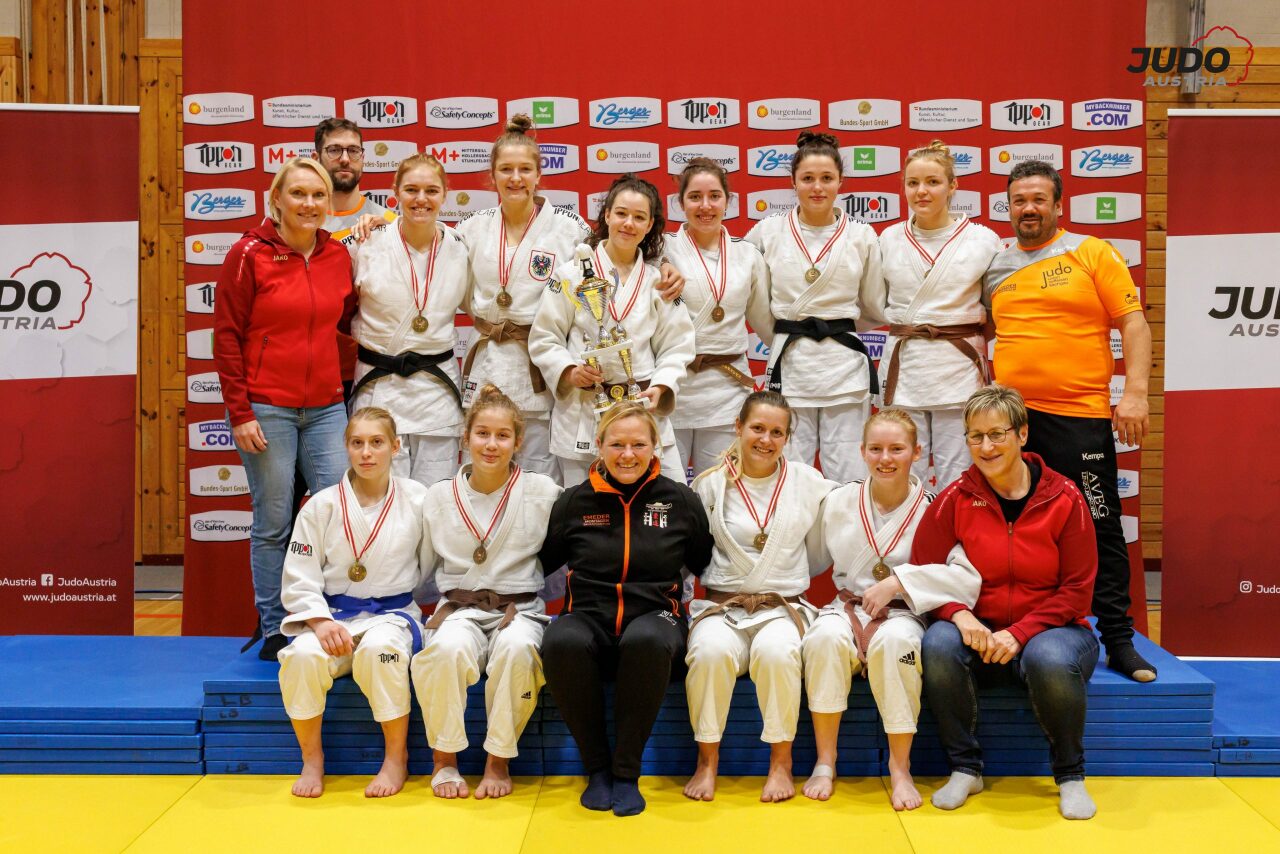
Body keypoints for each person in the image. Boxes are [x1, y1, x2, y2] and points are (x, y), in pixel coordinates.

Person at [983, 160, 1155, 682]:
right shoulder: (995, 266)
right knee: (1013, 527)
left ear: (1058, 204)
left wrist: (1136, 394)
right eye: (1019, 200)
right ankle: (1015, 633)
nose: (1028, 208)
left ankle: (1118, 641)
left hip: (1079, 417)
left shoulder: (1092, 252)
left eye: (1039, 199)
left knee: (1100, 524)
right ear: (1008, 207)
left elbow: (1133, 323)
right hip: (1012, 420)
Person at [916, 384, 1100, 820]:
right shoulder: (955, 498)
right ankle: (965, 769)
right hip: (981, 633)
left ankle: (1070, 776)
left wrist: (1020, 633)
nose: (986, 447)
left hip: (1054, 631)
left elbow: (1078, 590)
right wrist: (959, 615)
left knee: (1049, 657)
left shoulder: (1065, 497)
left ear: (1022, 434)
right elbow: (923, 574)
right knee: (938, 643)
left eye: (997, 434)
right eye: (975, 436)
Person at [538, 402, 713, 817]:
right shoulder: (574, 503)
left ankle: (626, 773)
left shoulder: (680, 501)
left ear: (656, 446)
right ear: (599, 445)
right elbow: (544, 561)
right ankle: (597, 769)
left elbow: (702, 559)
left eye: (639, 444)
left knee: (647, 638)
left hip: (656, 619)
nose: (628, 454)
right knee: (561, 639)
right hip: (589, 618)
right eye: (617, 444)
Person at [213, 156, 355, 660]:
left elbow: (346, 324)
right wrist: (240, 412)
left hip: (327, 408)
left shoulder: (338, 255)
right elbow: (227, 337)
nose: (309, 204)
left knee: (339, 516)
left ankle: (333, 617)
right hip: (267, 407)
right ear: (277, 198)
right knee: (274, 523)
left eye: (318, 195)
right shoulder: (248, 254)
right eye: (298, 193)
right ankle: (276, 626)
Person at [802, 408, 979, 808]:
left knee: (896, 645)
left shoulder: (934, 508)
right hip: (848, 607)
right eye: (876, 449)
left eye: (897, 449)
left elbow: (965, 579)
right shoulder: (838, 501)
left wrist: (901, 582)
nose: (885, 458)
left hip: (904, 612)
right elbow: (809, 561)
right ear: (862, 451)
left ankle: (900, 768)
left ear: (917, 453)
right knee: (823, 639)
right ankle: (825, 761)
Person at [683, 391, 836, 803]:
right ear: (738, 427)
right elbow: (693, 550)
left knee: (778, 654)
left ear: (787, 437)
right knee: (709, 653)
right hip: (723, 606)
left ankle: (781, 762)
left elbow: (823, 545)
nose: (766, 440)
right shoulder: (709, 484)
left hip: (782, 606)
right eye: (757, 428)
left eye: (777, 432)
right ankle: (707, 761)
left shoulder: (808, 482)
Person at [410, 384, 562, 800]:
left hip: (521, 608)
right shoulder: (438, 496)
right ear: (465, 437)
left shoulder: (544, 492)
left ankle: (498, 759)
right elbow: (422, 566)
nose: (491, 444)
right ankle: (444, 759)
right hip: (460, 608)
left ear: (518, 442)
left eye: (502, 436)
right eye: (482, 433)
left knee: (517, 650)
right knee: (443, 651)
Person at [276, 407, 429, 799]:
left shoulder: (418, 499)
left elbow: (431, 563)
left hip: (391, 615)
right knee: (300, 658)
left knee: (381, 652)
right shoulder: (321, 505)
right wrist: (319, 621)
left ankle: (395, 758)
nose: (366, 452)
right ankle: (312, 759)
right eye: (357, 443)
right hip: (334, 617)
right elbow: (299, 573)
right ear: (345, 447)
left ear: (395, 446)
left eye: (377, 442)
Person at [529, 175, 696, 484]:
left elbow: (678, 345)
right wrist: (569, 371)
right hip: (585, 409)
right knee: (583, 506)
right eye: (621, 213)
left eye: (639, 217)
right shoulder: (570, 275)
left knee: (670, 498)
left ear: (650, 225)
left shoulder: (658, 281)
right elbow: (544, 337)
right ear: (606, 215)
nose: (628, 223)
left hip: (641, 406)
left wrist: (662, 385)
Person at [454, 116, 594, 480]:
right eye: (506, 169)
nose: (515, 178)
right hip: (487, 358)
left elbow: (608, 269)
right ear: (492, 176)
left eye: (525, 169)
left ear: (538, 175)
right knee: (482, 468)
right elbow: (433, 260)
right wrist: (380, 223)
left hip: (538, 363)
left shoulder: (570, 229)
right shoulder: (471, 228)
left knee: (538, 478)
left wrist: (665, 264)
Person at [744, 131, 882, 483]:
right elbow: (754, 301)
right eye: (807, 178)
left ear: (840, 181)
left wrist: (838, 326)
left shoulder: (862, 236)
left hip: (844, 369)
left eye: (826, 178)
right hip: (791, 364)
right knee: (790, 476)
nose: (817, 187)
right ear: (793, 182)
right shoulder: (767, 232)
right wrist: (780, 335)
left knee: (849, 475)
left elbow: (872, 306)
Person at [867, 141, 1001, 490]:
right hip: (906, 369)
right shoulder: (888, 238)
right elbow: (876, 302)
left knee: (958, 474)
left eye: (932, 182)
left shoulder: (983, 240)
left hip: (958, 369)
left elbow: (994, 311)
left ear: (953, 186)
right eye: (912, 183)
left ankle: (954, 529)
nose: (921, 191)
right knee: (901, 473)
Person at [350, 153, 468, 488]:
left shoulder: (460, 248)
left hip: (436, 393)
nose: (421, 199)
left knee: (436, 500)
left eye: (431, 191)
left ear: (444, 194)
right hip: (379, 388)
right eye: (411, 190)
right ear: (395, 192)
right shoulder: (366, 244)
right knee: (382, 500)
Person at [663, 158, 773, 479]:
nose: (705, 206)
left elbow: (766, 325)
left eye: (714, 196)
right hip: (672, 390)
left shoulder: (747, 255)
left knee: (720, 491)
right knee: (669, 494)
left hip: (727, 392)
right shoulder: (661, 249)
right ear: (680, 202)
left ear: (728, 201)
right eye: (695, 197)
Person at [314, 117, 396, 256]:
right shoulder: (300, 222)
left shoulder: (389, 222)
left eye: (353, 151)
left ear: (362, 158)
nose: (345, 159)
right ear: (316, 159)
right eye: (334, 150)